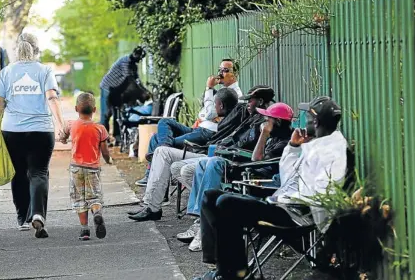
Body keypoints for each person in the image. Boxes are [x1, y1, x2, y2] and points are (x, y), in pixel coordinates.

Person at [195, 96, 347, 280]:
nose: (303, 119)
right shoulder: (315, 145)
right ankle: (222, 268)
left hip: (298, 214)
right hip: (283, 204)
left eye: (307, 116)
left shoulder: (334, 151)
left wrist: (288, 197)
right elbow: (287, 178)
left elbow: (321, 195)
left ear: (315, 121)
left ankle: (233, 275)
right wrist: (293, 147)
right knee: (210, 196)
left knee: (226, 203)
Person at [177, 102, 294, 252]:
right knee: (202, 164)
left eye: (267, 119)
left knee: (214, 163)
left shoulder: (284, 142)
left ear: (277, 122)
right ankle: (199, 219)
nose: (264, 122)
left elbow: (257, 159)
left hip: (257, 178)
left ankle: (203, 227)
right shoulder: (275, 136)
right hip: (250, 169)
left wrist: (264, 133)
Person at [0, 33, 67, 238]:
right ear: (35, 49)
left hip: (12, 131)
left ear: (17, 49)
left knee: (18, 172)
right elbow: (52, 97)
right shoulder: (44, 71)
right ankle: (37, 214)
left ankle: (22, 219)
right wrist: (61, 124)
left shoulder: (7, 72)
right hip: (41, 131)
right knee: (39, 172)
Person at [128, 87, 239, 222]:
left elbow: (215, 143)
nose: (214, 108)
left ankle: (152, 207)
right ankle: (151, 206)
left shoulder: (231, 121)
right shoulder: (229, 118)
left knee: (162, 152)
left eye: (215, 104)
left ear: (220, 105)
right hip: (205, 150)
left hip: (209, 156)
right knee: (162, 149)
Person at [135, 58, 243, 187]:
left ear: (235, 74)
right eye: (219, 70)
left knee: (157, 140)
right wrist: (208, 114)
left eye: (225, 70)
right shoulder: (220, 92)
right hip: (199, 128)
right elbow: (203, 114)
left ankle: (158, 164)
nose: (220, 73)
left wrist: (209, 88)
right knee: (164, 124)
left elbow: (208, 114)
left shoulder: (235, 94)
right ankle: (153, 169)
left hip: (207, 133)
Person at [60, 93, 112, 241]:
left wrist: (63, 139)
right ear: (94, 110)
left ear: (76, 108)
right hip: (93, 169)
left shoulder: (71, 124)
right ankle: (96, 212)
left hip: (76, 168)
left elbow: (62, 135)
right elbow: (105, 151)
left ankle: (84, 230)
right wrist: (108, 160)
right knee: (94, 196)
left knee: (79, 199)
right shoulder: (100, 128)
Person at [100, 46, 145, 144]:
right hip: (107, 87)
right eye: (139, 57)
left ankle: (118, 138)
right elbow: (130, 80)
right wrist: (142, 93)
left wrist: (144, 90)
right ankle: (104, 140)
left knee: (117, 114)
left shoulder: (133, 65)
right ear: (135, 54)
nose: (140, 60)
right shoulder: (126, 62)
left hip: (117, 90)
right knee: (106, 114)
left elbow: (137, 80)